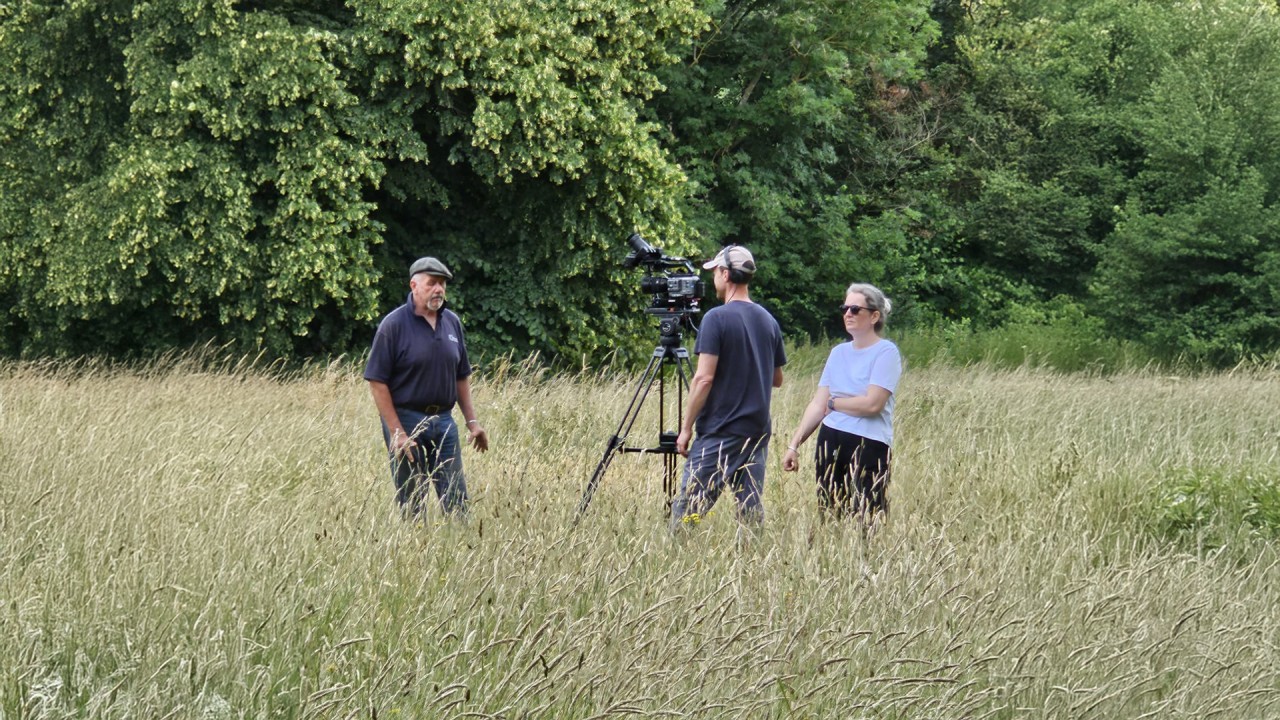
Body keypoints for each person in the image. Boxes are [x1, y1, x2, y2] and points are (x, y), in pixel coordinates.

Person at [671, 244, 787, 531]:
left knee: (688, 512)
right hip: (757, 431)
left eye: (715, 273)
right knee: (749, 513)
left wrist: (686, 428)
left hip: (721, 431)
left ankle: (677, 556)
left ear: (725, 274)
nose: (713, 280)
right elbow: (777, 379)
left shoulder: (716, 318)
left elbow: (703, 379)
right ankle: (751, 566)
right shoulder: (768, 320)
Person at [365, 256, 489, 518]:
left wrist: (472, 422)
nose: (439, 290)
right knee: (412, 502)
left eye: (442, 284)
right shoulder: (393, 325)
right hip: (407, 420)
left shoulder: (452, 322)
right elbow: (377, 381)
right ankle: (414, 551)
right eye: (432, 283)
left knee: (456, 500)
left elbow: (461, 376)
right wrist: (397, 432)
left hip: (444, 420)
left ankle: (460, 548)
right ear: (414, 285)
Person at [782, 283, 901, 527]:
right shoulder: (838, 352)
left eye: (855, 309)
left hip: (869, 442)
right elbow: (818, 404)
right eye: (845, 308)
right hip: (831, 438)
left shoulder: (885, 352)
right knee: (830, 511)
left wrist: (835, 403)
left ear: (874, 316)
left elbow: (872, 404)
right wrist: (794, 445)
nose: (848, 314)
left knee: (868, 514)